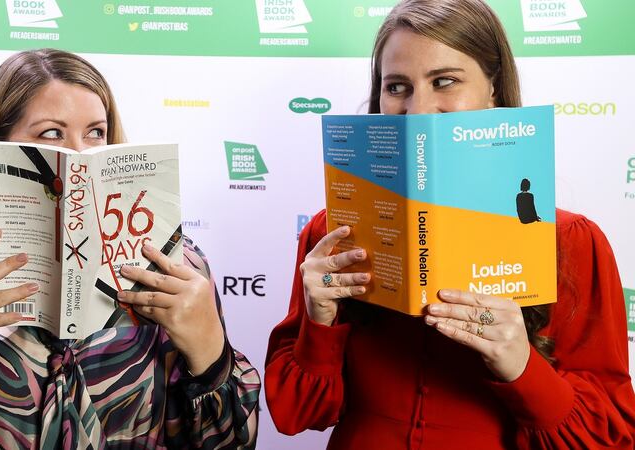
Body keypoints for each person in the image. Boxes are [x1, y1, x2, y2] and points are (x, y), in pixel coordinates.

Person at [0, 49, 260, 449]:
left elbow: (235, 442)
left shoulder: (173, 266)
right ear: (0, 145)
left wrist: (211, 355)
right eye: (52, 133)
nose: (79, 154)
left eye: (95, 132)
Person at [264, 1, 635, 448]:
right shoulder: (332, 234)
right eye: (397, 87)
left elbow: (609, 434)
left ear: (493, 89)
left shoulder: (571, 241)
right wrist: (319, 323)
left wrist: (521, 365)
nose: (418, 110)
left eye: (444, 81)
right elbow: (295, 414)